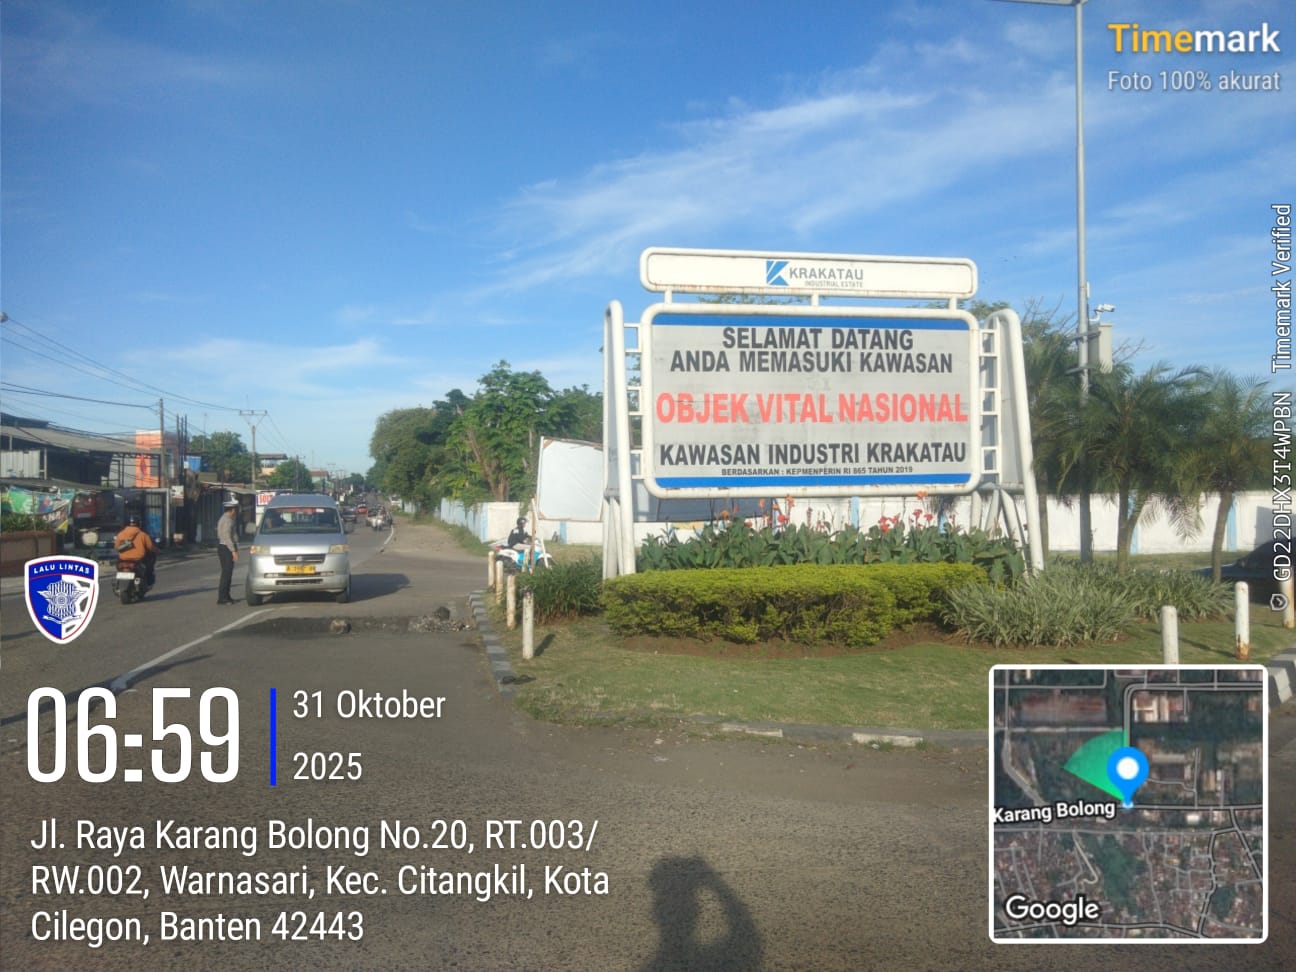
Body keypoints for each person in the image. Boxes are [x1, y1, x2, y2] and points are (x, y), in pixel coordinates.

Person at [113, 516, 157, 586]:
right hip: (138, 559)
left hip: (123, 559)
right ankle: (148, 581)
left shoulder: (120, 534)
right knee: (149, 566)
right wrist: (155, 550)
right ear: (139, 524)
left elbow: (116, 547)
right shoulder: (143, 535)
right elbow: (150, 547)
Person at [216, 498, 240, 604]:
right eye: (235, 509)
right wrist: (233, 550)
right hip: (225, 548)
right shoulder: (226, 520)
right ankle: (222, 597)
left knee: (228, 573)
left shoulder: (229, 519)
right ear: (232, 509)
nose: (236, 511)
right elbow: (227, 537)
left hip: (226, 547)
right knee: (226, 573)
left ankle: (227, 595)